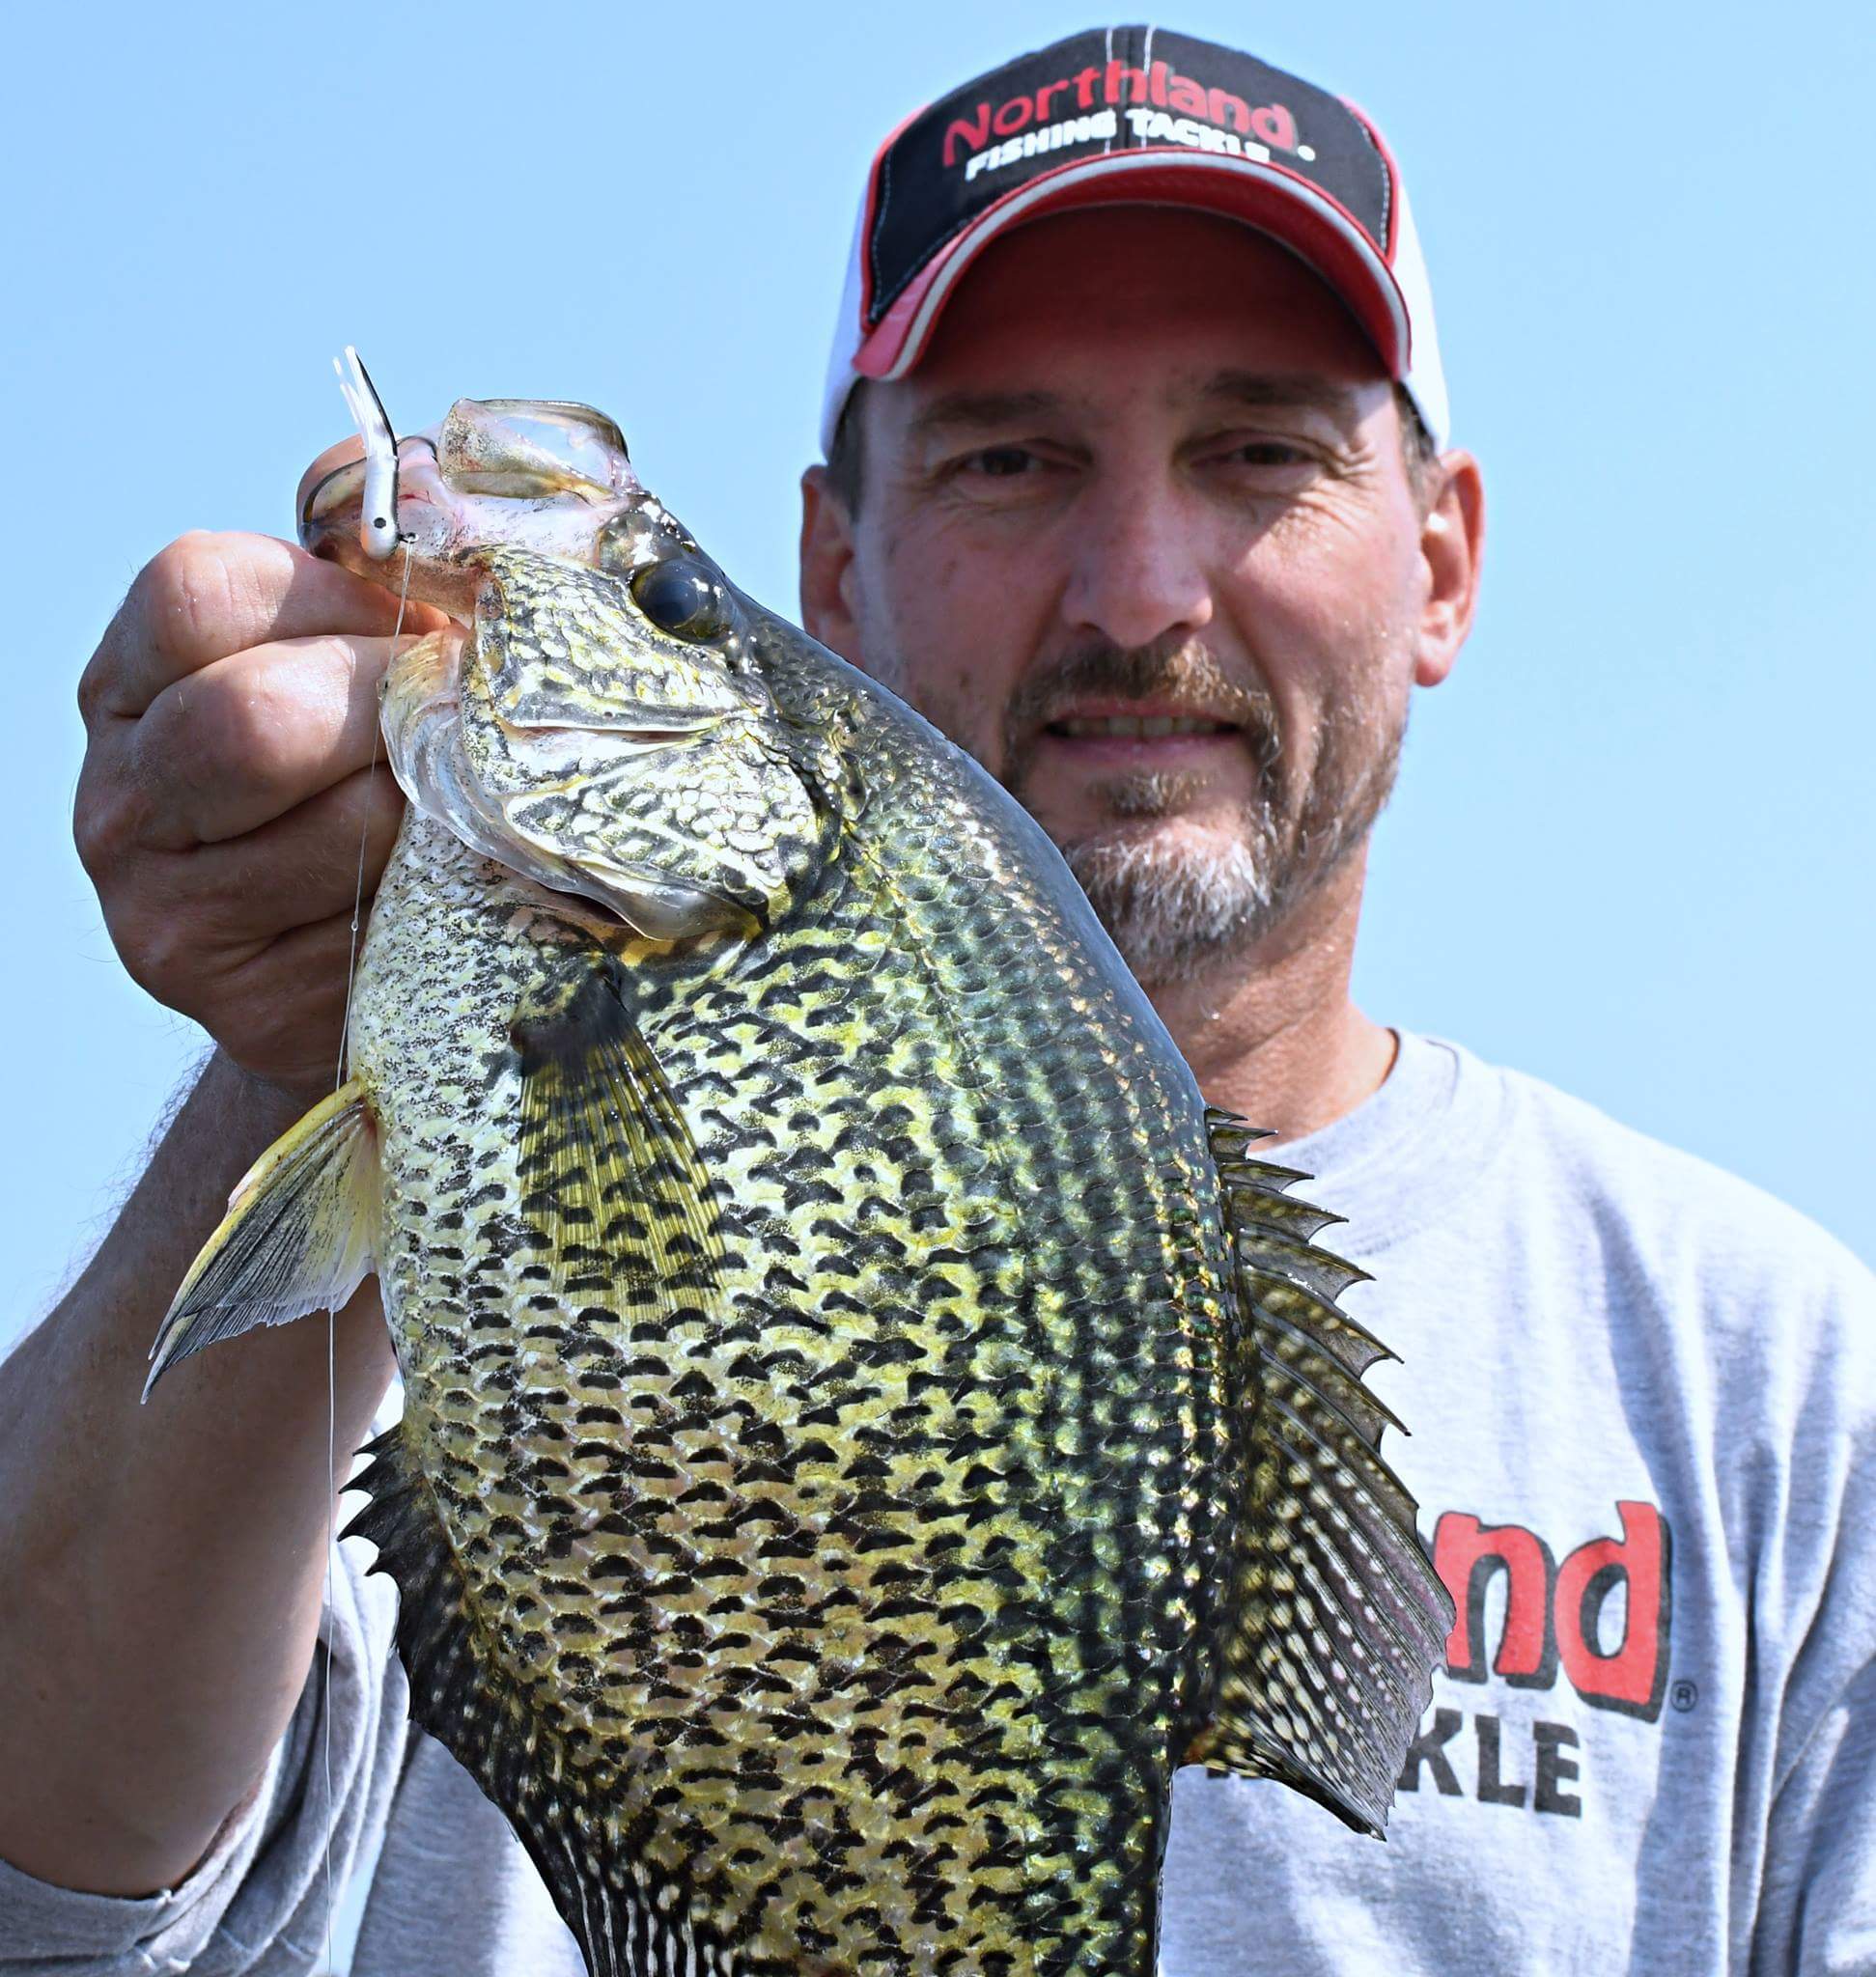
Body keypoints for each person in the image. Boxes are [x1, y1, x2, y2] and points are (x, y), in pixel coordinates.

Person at [2, 24, 1870, 1974]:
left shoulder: (1788, 1398)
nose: (1141, 593)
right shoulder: (391, 1318)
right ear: (831, 566)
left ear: (1442, 563)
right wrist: (301, 1048)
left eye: (1260, 455)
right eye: (1009, 459)